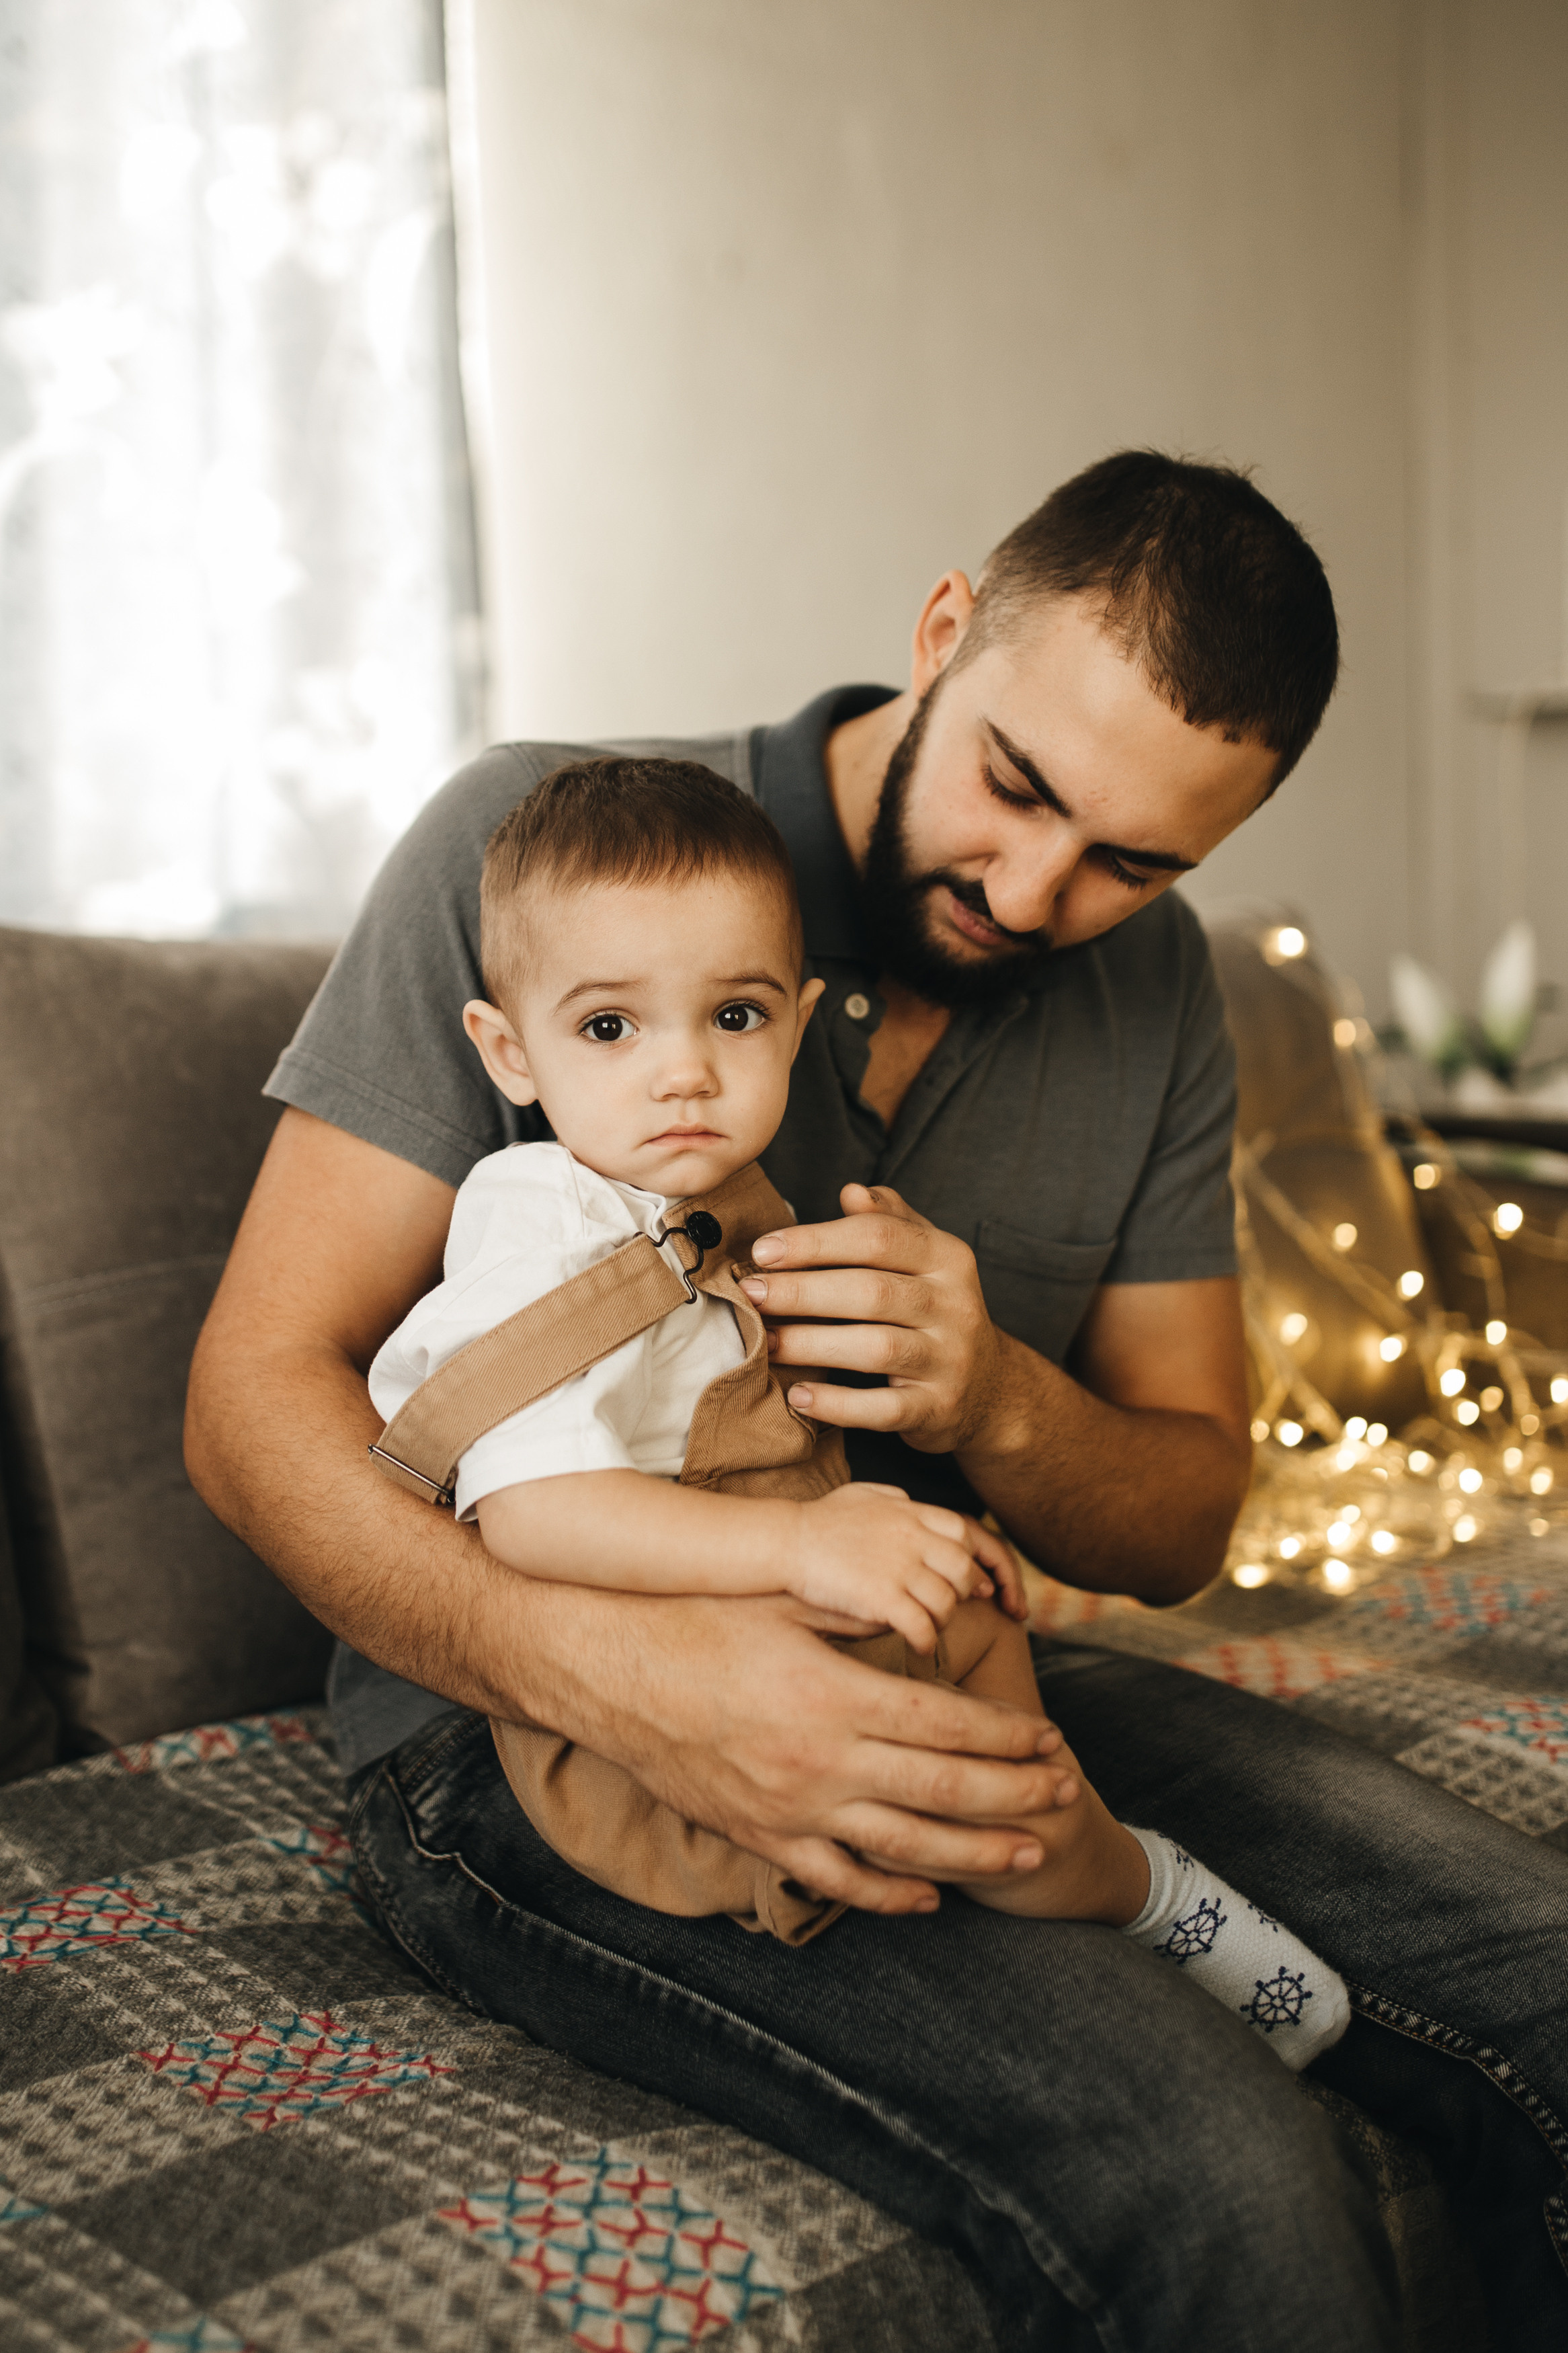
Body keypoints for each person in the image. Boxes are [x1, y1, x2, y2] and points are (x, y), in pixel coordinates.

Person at [187, 451, 1568, 2349]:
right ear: (939, 636)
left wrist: (995, 1393)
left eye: (1133, 860)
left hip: (913, 1642)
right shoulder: (545, 853)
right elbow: (250, 1399)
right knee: (1229, 2181)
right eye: (1014, 785)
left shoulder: (1150, 988)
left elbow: (1176, 1519)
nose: (1030, 889)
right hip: (511, 1728)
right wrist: (636, 1682)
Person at [366, 752, 1351, 2062]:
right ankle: (1115, 1884)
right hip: (619, 1689)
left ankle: (1080, 1854)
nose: (684, 1075)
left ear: (798, 1016)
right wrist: (805, 1546)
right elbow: (537, 1515)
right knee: (939, 1716)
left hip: (739, 1586)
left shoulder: (722, 1200)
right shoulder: (546, 1218)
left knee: (970, 1604)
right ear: (511, 1050)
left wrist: (899, 1511)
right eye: (611, 1028)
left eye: (734, 1018)